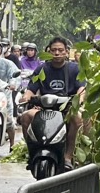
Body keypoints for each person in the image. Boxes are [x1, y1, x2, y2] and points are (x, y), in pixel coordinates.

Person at [19, 37, 86, 169]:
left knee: (77, 119)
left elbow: (81, 89)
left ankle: (68, 156)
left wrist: (79, 99)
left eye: (60, 50)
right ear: (48, 52)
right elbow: (31, 89)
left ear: (67, 52)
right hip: (44, 109)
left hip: (67, 109)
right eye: (53, 50)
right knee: (25, 116)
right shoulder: (41, 69)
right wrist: (26, 98)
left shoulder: (75, 69)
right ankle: (32, 154)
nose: (57, 53)